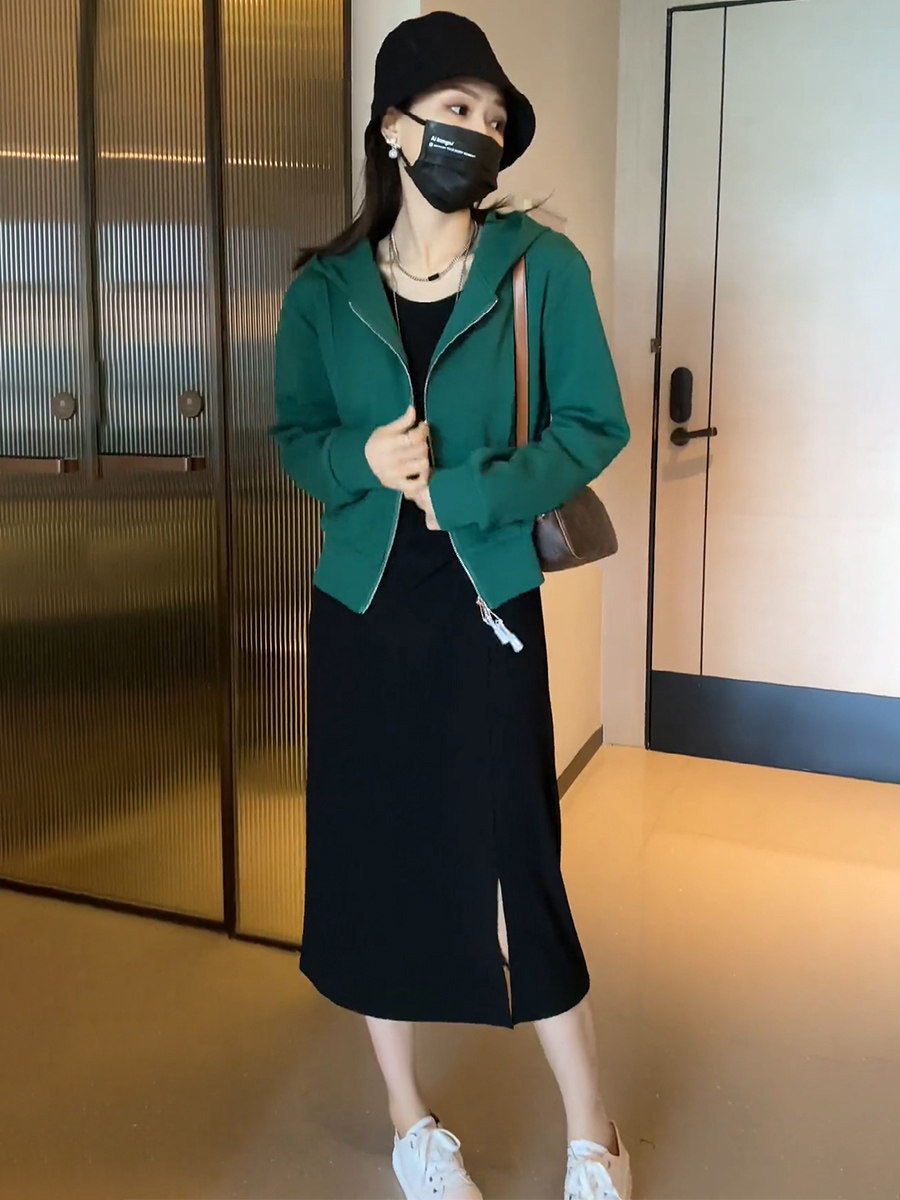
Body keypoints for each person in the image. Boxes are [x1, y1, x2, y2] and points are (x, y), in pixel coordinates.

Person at [269, 12, 632, 1200]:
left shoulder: (542, 269)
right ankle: (408, 1117)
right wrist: (360, 463)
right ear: (393, 127)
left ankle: (593, 1127)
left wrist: (471, 489)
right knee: (376, 857)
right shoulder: (324, 291)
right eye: (454, 109)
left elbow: (594, 425)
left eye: (493, 115)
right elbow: (295, 437)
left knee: (515, 856)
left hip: (488, 601)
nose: (478, 129)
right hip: (364, 611)